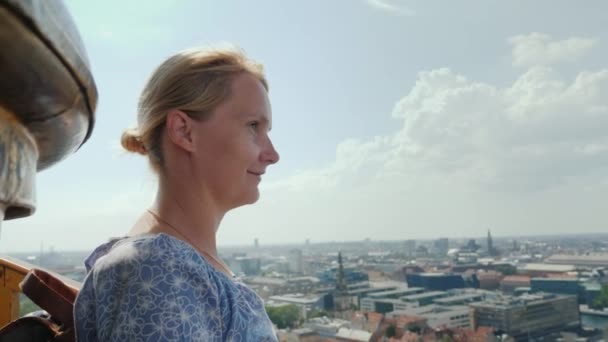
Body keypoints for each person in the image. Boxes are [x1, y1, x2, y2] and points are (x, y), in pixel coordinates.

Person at [74, 46, 280, 341]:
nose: (273, 154)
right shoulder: (158, 272)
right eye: (252, 126)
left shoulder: (170, 265)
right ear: (184, 131)